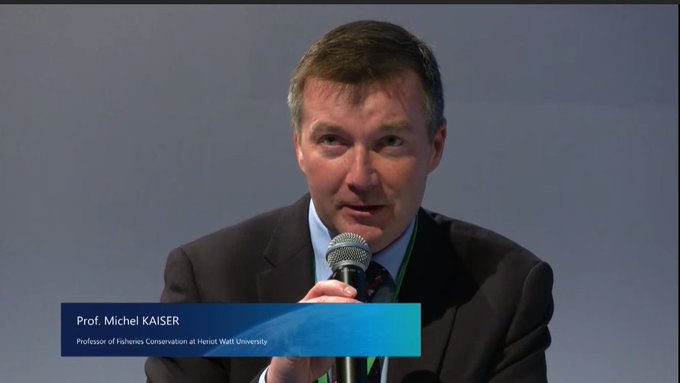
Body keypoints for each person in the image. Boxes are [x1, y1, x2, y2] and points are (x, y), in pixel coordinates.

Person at [145, 20, 553, 383]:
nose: (360, 177)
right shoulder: (209, 280)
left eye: (389, 142)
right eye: (333, 141)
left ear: (435, 146)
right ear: (299, 147)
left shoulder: (506, 289)